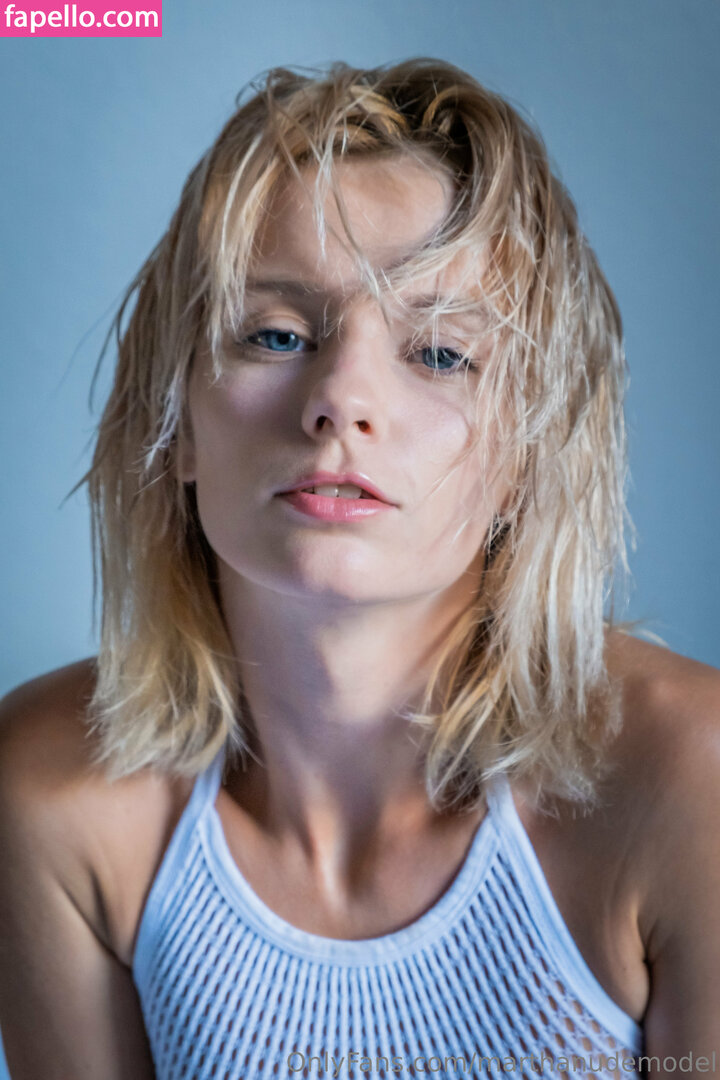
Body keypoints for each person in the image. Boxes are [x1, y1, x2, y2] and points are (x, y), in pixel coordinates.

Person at [0, 59, 718, 1080]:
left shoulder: (689, 779)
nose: (341, 399)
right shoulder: (51, 795)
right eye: (276, 334)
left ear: (527, 452)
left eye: (440, 354)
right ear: (179, 424)